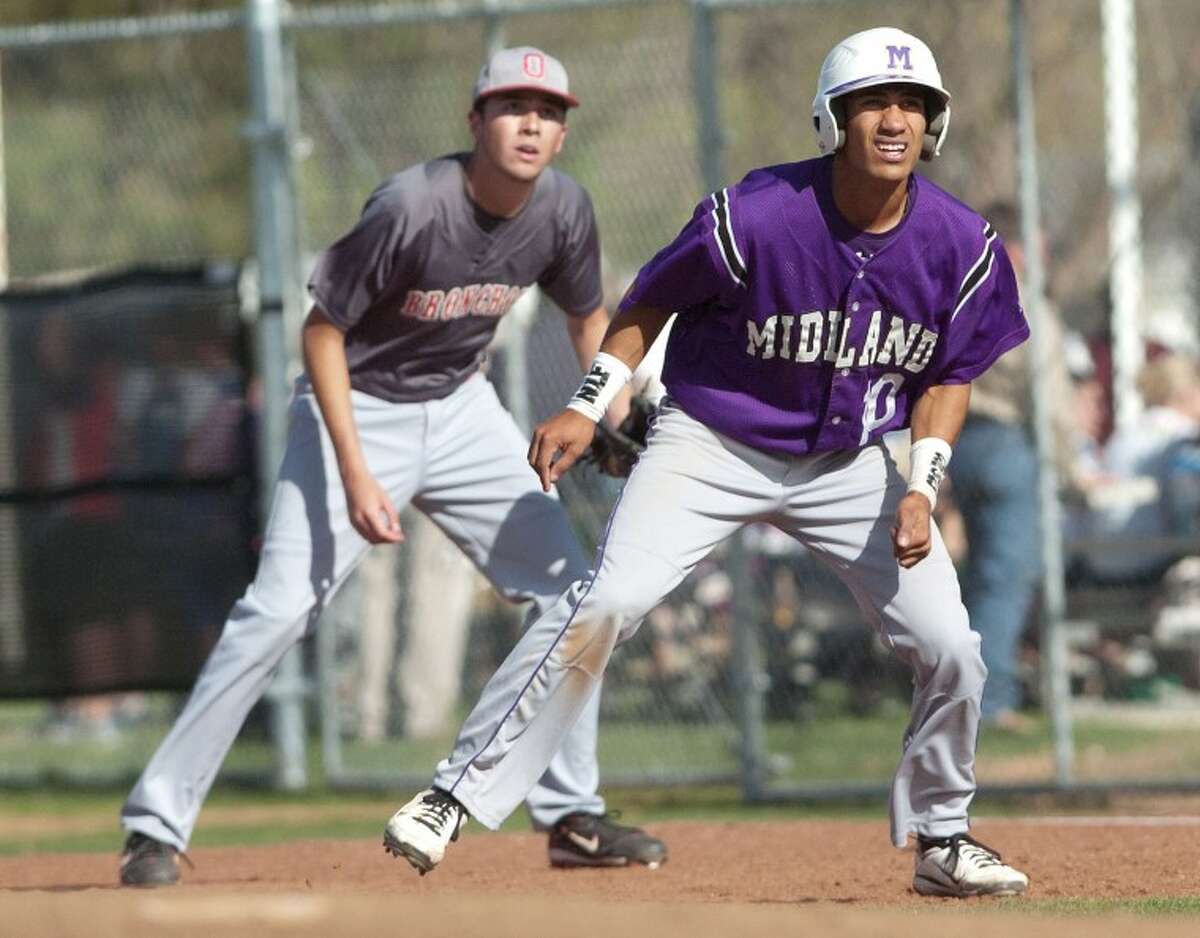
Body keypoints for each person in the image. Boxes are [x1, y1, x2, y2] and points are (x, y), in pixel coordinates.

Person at [383, 27, 1032, 898]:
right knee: (608, 600)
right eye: (874, 101)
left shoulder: (962, 247)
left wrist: (922, 484)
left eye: (914, 105)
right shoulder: (758, 215)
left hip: (849, 461)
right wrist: (587, 405)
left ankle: (941, 837)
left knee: (953, 644)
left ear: (934, 125)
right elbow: (649, 301)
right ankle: (453, 795)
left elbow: (950, 372)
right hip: (713, 441)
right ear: (831, 119)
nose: (894, 120)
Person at [117, 45, 666, 887]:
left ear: (561, 134)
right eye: (512, 106)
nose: (531, 123)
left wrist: (609, 410)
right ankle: (156, 824)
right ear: (475, 121)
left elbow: (589, 316)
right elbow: (322, 332)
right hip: (357, 405)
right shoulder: (413, 206)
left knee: (576, 592)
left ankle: (569, 815)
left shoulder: (562, 210)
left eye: (549, 112)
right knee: (275, 612)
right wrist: (358, 475)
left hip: (459, 405)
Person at [944, 201, 1073, 732]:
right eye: (1036, 248)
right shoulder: (1024, 302)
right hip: (1004, 443)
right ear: (1016, 249)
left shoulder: (959, 292)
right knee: (1006, 578)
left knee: (979, 579)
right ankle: (990, 703)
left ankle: (961, 696)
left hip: (959, 438)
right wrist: (1072, 470)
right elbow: (1053, 404)